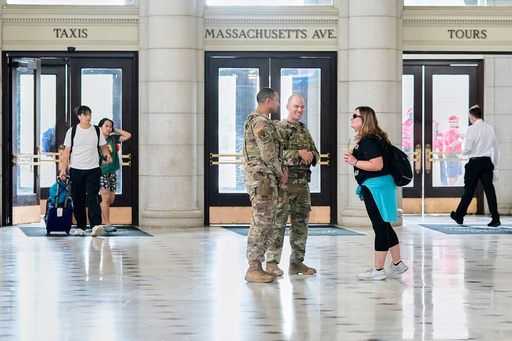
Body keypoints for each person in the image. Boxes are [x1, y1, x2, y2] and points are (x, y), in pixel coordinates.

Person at [344, 106, 408, 281]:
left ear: (364, 120)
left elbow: (377, 165)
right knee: (384, 225)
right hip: (378, 185)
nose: (351, 118)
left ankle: (378, 270)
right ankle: (397, 264)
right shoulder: (373, 139)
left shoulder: (369, 140)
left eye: (355, 116)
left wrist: (354, 161)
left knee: (379, 226)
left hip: (377, 187)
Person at [265, 94, 319, 277]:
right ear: (287, 107)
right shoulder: (278, 129)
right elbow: (274, 155)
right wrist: (298, 154)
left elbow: (315, 153)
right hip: (284, 186)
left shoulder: (304, 130)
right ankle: (271, 263)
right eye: (296, 106)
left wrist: (311, 155)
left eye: (302, 107)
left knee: (301, 226)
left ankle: (297, 263)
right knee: (278, 225)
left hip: (303, 186)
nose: (299, 110)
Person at [243, 87, 288, 283]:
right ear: (268, 100)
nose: (278, 104)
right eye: (277, 100)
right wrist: (280, 172)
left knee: (267, 222)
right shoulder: (260, 122)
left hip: (265, 175)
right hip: (262, 176)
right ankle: (253, 267)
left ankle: (258, 266)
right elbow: (267, 152)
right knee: (261, 222)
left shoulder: (258, 120)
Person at [59, 105, 112, 236]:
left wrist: (107, 156)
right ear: (79, 117)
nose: (88, 117)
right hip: (76, 169)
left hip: (93, 169)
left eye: (89, 114)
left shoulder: (96, 130)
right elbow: (66, 152)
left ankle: (95, 226)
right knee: (78, 198)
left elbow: (103, 147)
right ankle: (80, 226)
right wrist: (63, 170)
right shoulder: (72, 131)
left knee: (93, 197)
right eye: (85, 115)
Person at [450, 105, 501, 227]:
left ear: (472, 117)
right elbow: (496, 150)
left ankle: (459, 215)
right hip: (487, 162)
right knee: (489, 190)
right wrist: (495, 166)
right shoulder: (489, 128)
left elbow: (467, 148)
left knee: (469, 190)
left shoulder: (471, 129)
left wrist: (463, 151)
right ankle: (495, 218)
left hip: (474, 162)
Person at [98, 118, 132, 233]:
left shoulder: (113, 138)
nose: (108, 128)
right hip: (102, 172)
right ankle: (107, 224)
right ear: (100, 127)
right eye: (106, 126)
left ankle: (104, 219)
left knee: (111, 200)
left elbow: (128, 135)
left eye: (110, 126)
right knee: (105, 199)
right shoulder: (97, 140)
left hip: (112, 171)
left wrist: (114, 130)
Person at [443, 115, 464, 186]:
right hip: (450, 154)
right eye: (455, 121)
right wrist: (461, 137)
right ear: (450, 122)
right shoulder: (449, 131)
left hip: (457, 154)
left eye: (457, 121)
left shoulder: (456, 130)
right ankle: (450, 190)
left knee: (458, 172)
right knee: (451, 174)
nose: (457, 122)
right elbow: (452, 144)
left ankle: (451, 186)